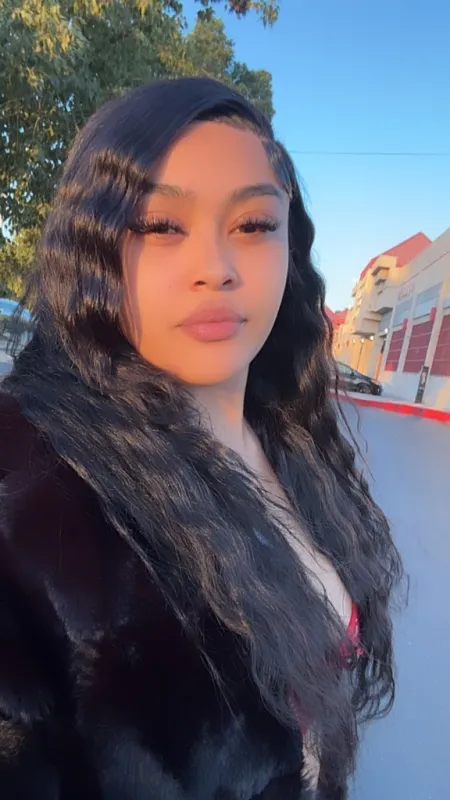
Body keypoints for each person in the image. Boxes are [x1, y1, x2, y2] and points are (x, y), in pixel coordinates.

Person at [0, 77, 403, 799]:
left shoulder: (290, 440)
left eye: (253, 225)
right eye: (161, 225)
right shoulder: (26, 491)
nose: (216, 268)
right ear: (92, 247)